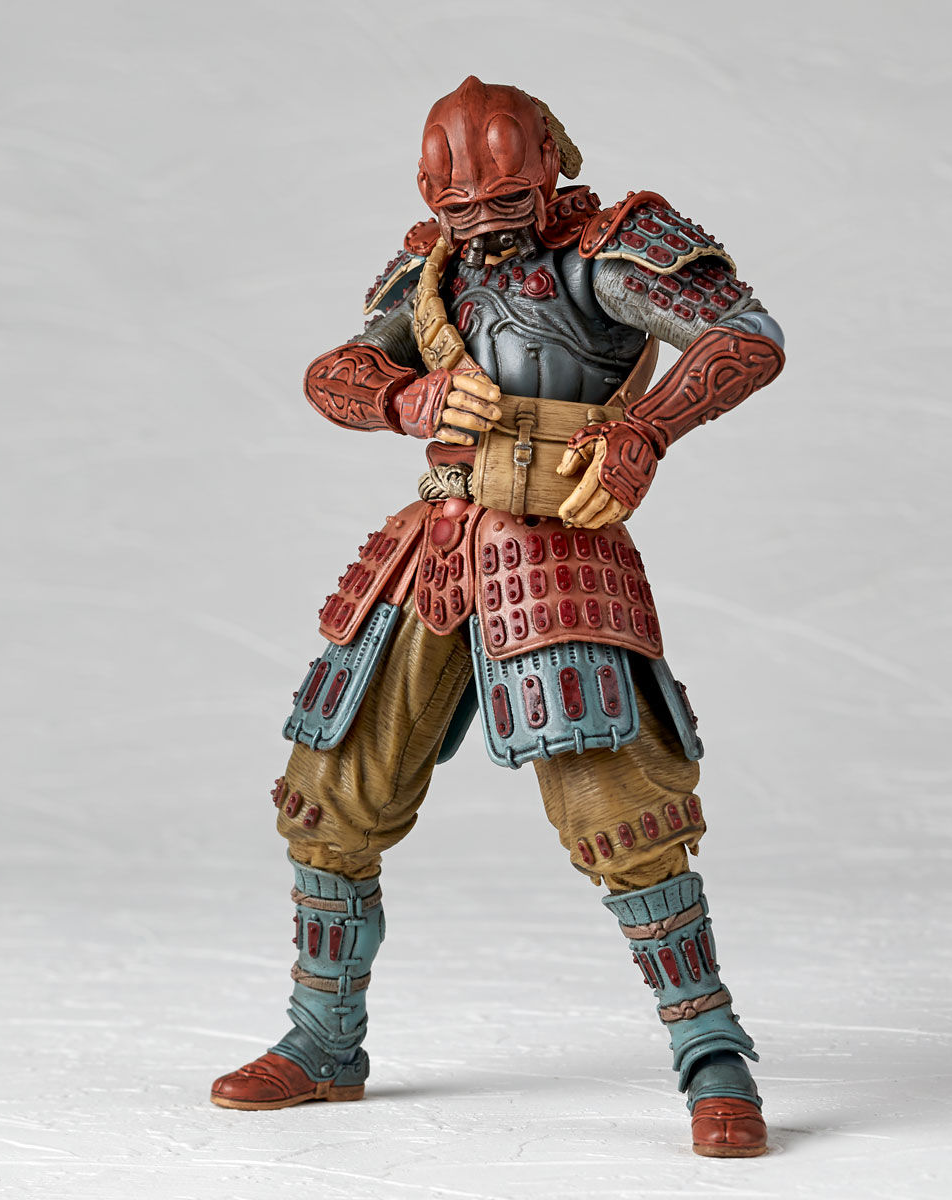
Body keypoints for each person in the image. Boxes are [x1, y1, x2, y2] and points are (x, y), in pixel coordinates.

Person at [210, 76, 786, 1158]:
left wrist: (647, 431)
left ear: (550, 168)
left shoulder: (606, 251)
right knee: (329, 791)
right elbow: (336, 370)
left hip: (558, 547)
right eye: (458, 206)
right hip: (436, 539)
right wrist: (403, 398)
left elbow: (746, 336)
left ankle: (713, 1055)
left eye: (502, 200)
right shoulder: (431, 269)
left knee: (624, 812)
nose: (479, 224)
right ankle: (322, 1040)